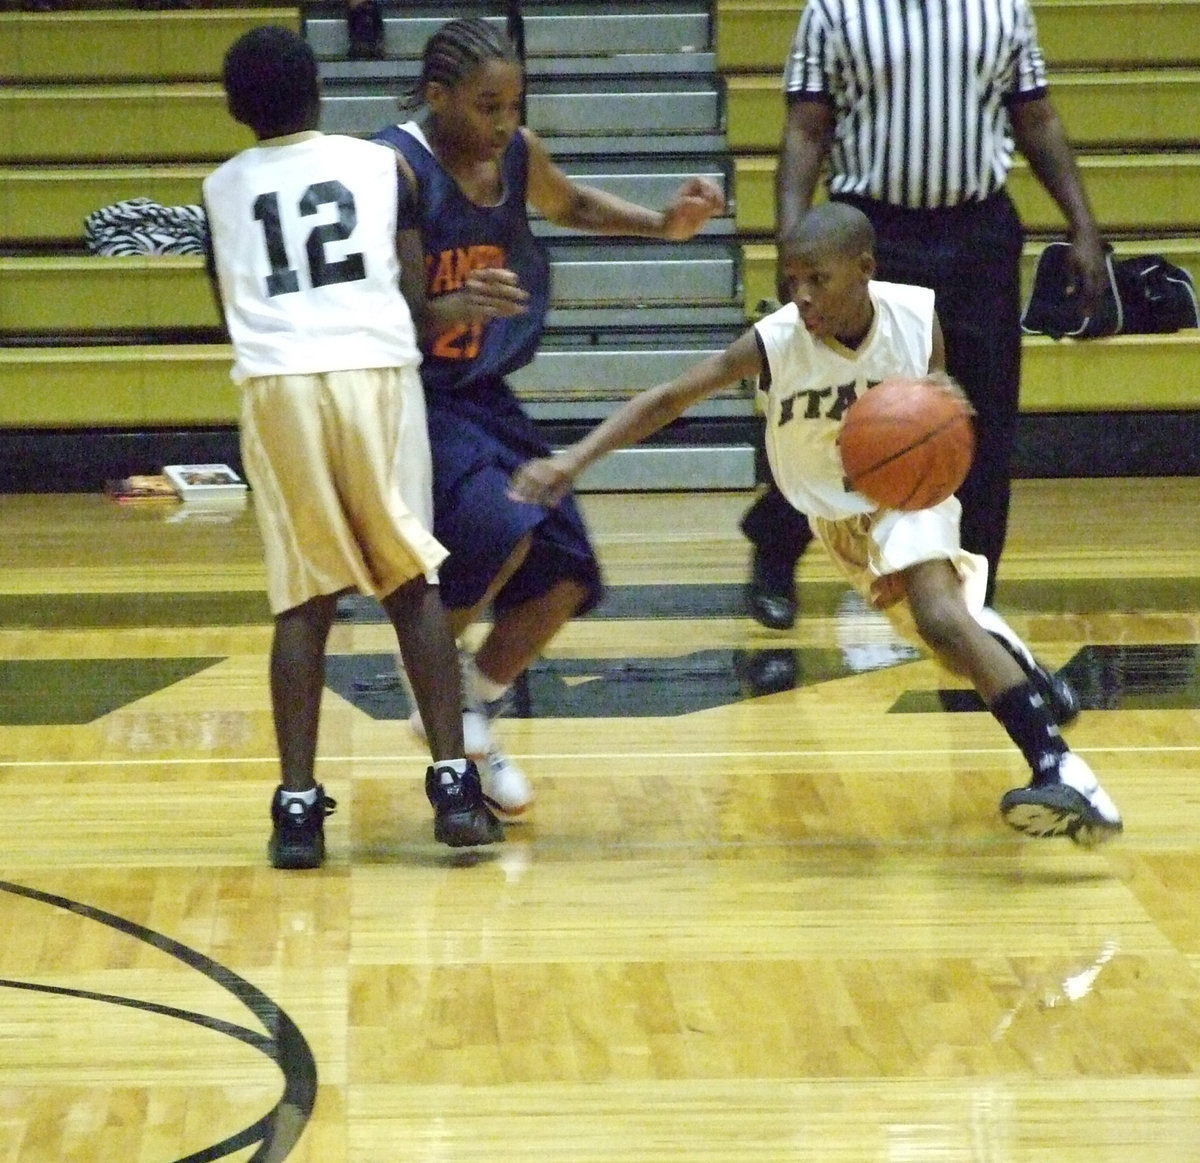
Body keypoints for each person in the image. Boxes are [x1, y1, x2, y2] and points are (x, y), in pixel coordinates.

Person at [510, 203, 1123, 846]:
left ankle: (1062, 769)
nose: (801, 296)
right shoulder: (775, 341)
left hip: (909, 494)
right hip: (836, 520)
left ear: (864, 270)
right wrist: (573, 459)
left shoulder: (914, 315)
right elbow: (668, 400)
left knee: (942, 617)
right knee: (947, 642)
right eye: (791, 280)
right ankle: (1017, 662)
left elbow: (936, 390)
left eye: (817, 280)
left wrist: (947, 403)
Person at [370, 16, 725, 817]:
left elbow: (574, 205)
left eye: (512, 105)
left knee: (568, 572)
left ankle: (472, 713)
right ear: (437, 96)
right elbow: (384, 310)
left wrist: (663, 224)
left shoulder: (517, 153)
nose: (503, 124)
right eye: (487, 107)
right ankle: (426, 667)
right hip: (413, 394)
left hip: (485, 388)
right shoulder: (397, 167)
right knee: (502, 521)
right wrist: (450, 304)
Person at [203, 25, 505, 868]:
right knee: (411, 581)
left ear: (235, 109)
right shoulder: (380, 167)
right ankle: (454, 788)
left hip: (278, 384)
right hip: (372, 371)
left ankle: (298, 809)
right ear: (319, 91)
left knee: (304, 600)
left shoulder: (220, 188)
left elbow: (231, 309)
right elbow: (411, 298)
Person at [740, 0, 1108, 628]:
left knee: (980, 419)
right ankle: (777, 541)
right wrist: (793, 245)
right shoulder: (834, 12)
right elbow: (806, 129)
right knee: (844, 413)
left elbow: (1036, 118)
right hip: (871, 235)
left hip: (978, 231)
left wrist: (1084, 226)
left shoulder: (1004, 9)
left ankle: (973, 595)